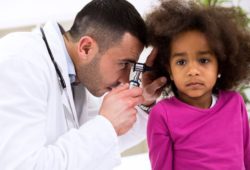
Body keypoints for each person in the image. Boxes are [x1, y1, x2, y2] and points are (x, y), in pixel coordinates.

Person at [0, 0, 166, 169]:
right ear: (86, 48)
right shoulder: (19, 62)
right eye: (124, 64)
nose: (125, 80)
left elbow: (105, 141)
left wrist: (143, 102)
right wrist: (106, 124)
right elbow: (21, 166)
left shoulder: (75, 77)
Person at [145, 0, 250, 169]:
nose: (192, 71)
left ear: (220, 66)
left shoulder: (235, 103)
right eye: (181, 62)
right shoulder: (163, 115)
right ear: (169, 70)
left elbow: (247, 156)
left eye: (203, 60)